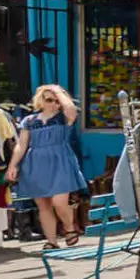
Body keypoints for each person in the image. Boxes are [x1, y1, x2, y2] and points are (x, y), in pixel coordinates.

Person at [6, 85, 87, 249]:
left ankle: (69, 228)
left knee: (59, 201)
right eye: (49, 100)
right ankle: (51, 241)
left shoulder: (64, 117)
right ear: (40, 100)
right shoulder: (29, 121)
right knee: (43, 205)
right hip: (35, 163)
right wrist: (12, 166)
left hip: (60, 161)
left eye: (57, 100)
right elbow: (21, 145)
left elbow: (71, 110)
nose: (53, 104)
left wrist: (58, 91)